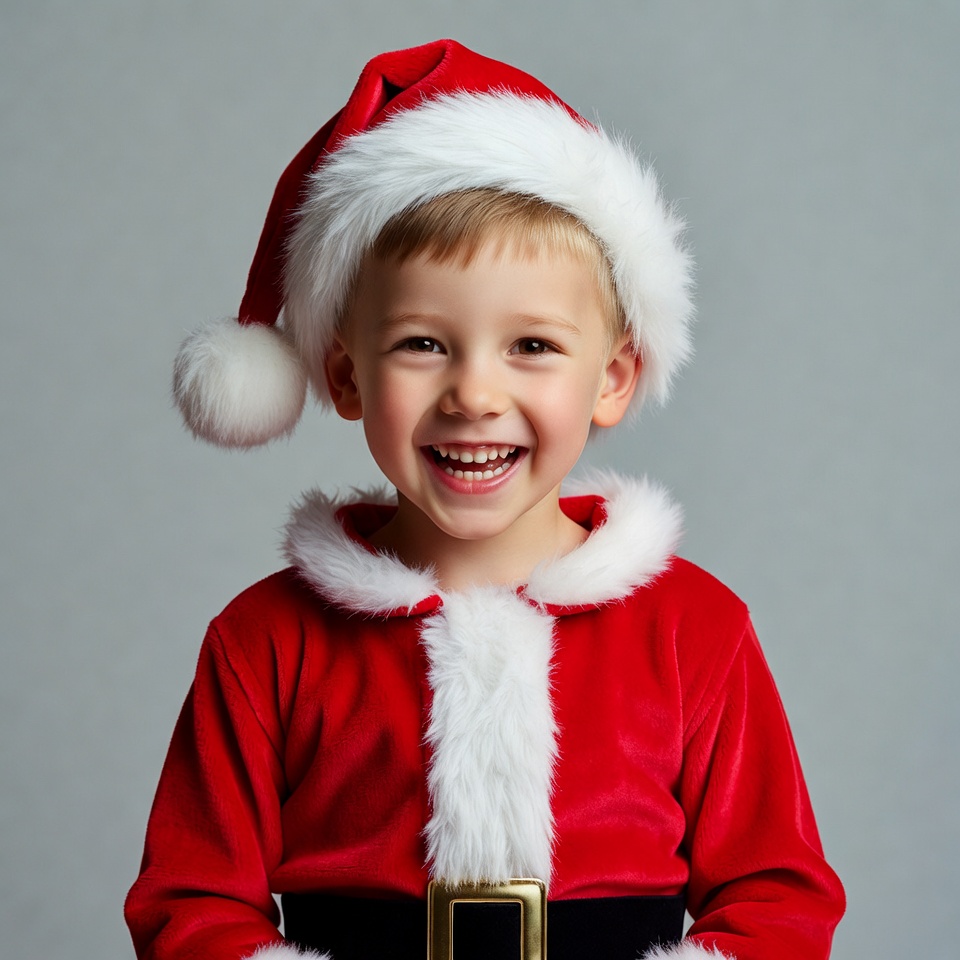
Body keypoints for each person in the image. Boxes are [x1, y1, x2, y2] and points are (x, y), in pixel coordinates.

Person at [125, 39, 845, 960]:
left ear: (612, 379)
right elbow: (190, 902)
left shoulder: (696, 631)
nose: (474, 394)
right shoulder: (265, 641)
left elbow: (778, 899)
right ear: (346, 377)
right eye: (422, 344)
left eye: (532, 346)